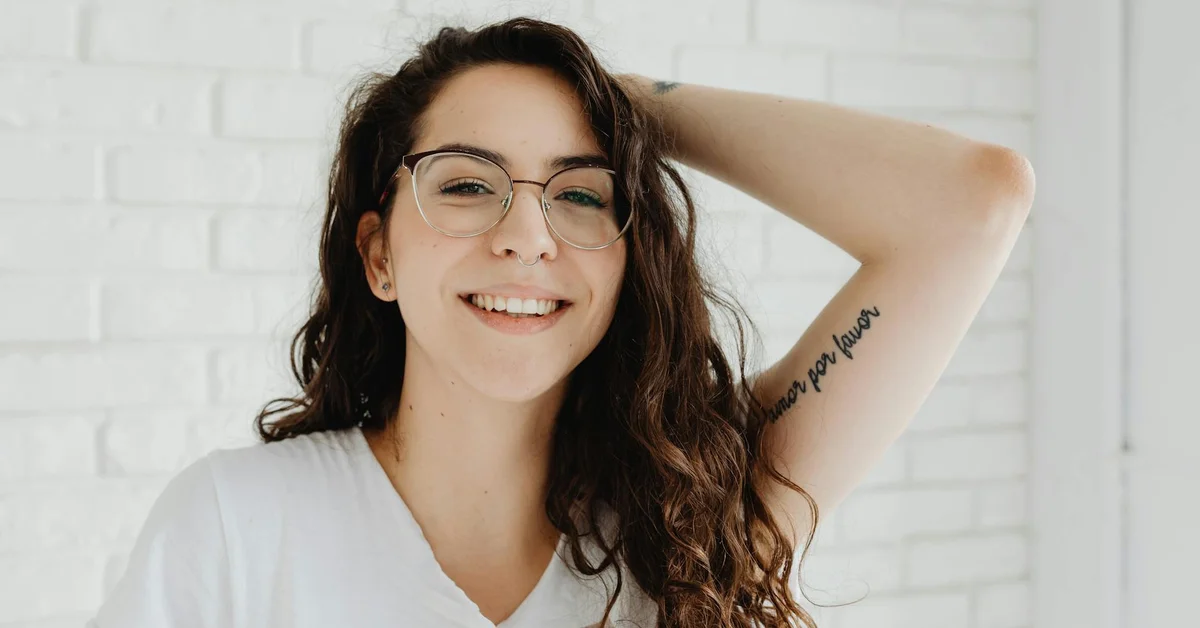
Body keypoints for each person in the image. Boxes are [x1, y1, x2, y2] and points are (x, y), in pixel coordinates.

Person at [86, 15, 1034, 628]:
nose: (527, 234)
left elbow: (974, 203)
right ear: (378, 255)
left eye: (581, 194)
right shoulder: (238, 529)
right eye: (466, 183)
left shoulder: (694, 523)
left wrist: (625, 106)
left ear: (628, 261)